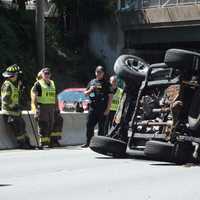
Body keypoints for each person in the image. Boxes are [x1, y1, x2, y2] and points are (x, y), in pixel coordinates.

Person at [1, 65, 32, 149]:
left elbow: (16, 97)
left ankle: (27, 143)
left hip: (16, 112)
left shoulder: (15, 84)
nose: (16, 76)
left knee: (22, 125)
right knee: (18, 128)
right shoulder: (7, 85)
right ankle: (22, 144)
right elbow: (5, 100)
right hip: (9, 112)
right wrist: (14, 106)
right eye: (15, 75)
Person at [82, 66, 113, 148]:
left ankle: (100, 144)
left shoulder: (107, 83)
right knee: (89, 125)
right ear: (95, 72)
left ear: (103, 73)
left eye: (100, 72)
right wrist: (90, 90)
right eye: (97, 72)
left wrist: (107, 109)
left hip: (102, 108)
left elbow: (110, 97)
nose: (98, 73)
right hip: (93, 107)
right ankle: (88, 142)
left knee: (101, 127)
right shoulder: (91, 82)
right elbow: (85, 94)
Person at [31, 67, 61, 148]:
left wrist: (57, 107)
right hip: (42, 107)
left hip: (51, 107)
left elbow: (55, 96)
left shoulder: (52, 83)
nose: (47, 75)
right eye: (45, 74)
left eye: (48, 73)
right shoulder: (38, 84)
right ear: (42, 75)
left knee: (51, 124)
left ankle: (50, 142)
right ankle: (43, 143)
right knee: (43, 125)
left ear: (50, 75)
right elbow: (34, 98)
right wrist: (35, 109)